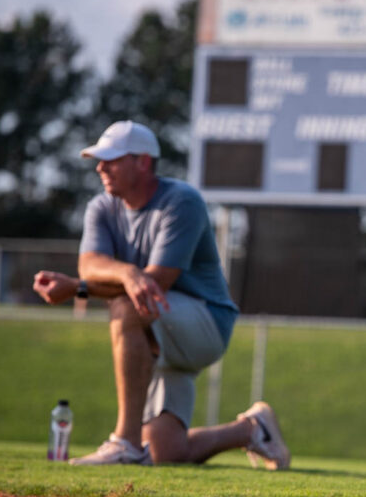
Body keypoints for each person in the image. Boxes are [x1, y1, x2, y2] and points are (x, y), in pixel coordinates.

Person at [33, 120, 290, 468]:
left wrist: (79, 288)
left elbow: (155, 284)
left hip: (205, 325)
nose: (100, 167)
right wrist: (125, 272)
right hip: (158, 332)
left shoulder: (181, 201)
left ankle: (125, 442)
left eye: (112, 159)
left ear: (143, 162)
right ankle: (253, 429)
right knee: (166, 453)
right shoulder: (101, 207)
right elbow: (90, 265)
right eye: (100, 159)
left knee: (128, 304)